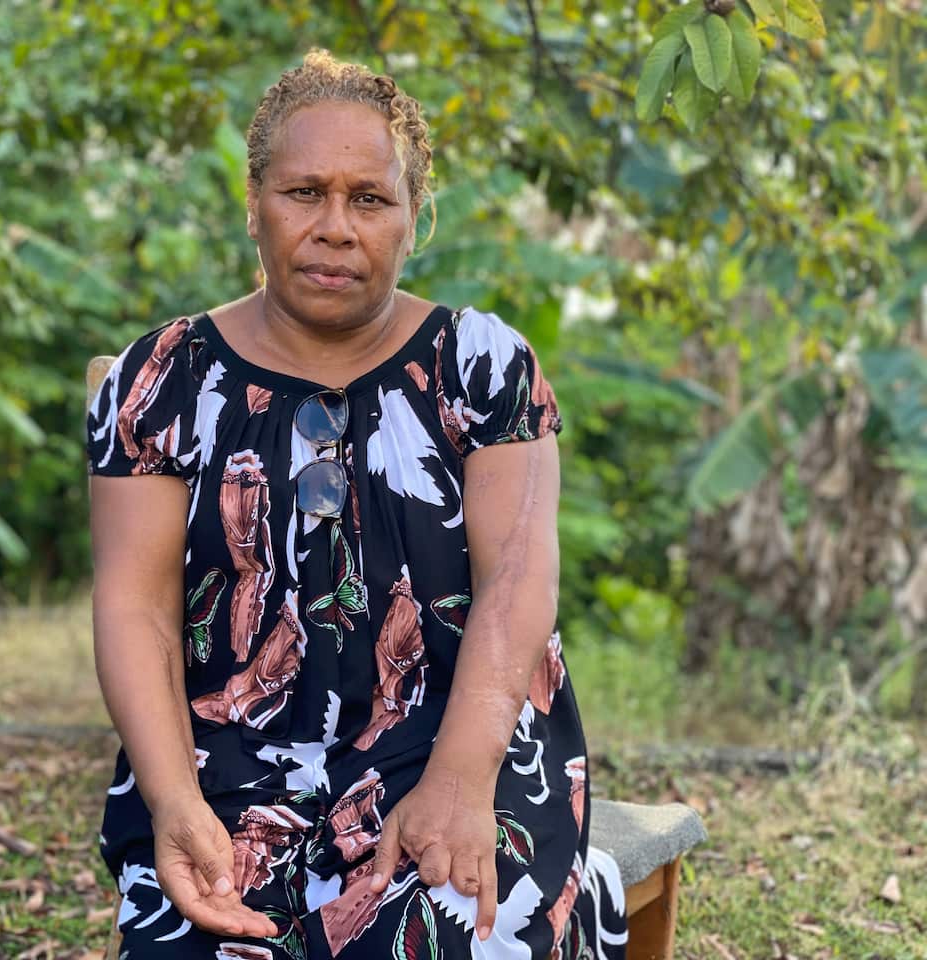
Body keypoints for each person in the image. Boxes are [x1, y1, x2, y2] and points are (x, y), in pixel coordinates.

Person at [86, 49, 627, 960]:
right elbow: (132, 607)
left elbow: (518, 579)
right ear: (253, 202)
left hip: (459, 745)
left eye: (370, 200)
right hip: (222, 771)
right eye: (304, 193)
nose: (336, 227)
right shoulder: (160, 380)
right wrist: (173, 801)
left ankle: (576, 883)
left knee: (456, 938)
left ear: (415, 219)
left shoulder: (483, 368)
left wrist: (458, 778)